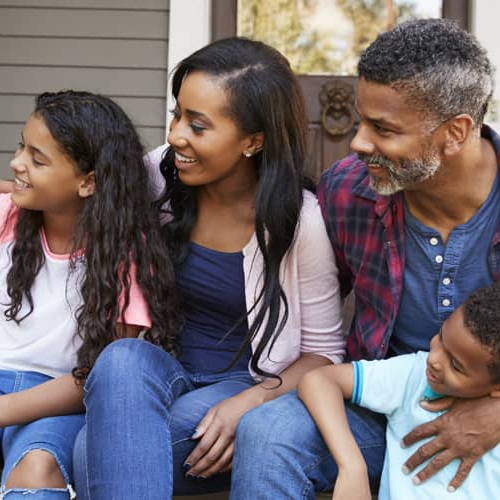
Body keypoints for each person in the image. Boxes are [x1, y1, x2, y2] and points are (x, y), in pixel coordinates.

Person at [230, 18, 500, 499]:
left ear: (456, 132)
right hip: (380, 406)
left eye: (382, 129)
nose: (358, 142)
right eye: (361, 120)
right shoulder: (346, 191)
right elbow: (309, 317)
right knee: (270, 433)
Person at [72, 36, 345, 499]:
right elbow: (70, 190)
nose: (176, 135)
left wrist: (252, 402)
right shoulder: (159, 174)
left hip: (247, 381)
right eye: (177, 115)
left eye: (198, 126)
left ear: (253, 141)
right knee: (119, 362)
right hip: (162, 366)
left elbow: (324, 353)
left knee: (88, 455)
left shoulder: (299, 222)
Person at [0, 90, 177, 499]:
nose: (17, 162)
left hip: (53, 401)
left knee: (37, 466)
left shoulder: (125, 256)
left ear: (88, 182)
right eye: (20, 147)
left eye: (37, 158)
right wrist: (24, 182)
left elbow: (98, 378)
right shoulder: (10, 214)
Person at [299, 282, 500, 499]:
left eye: (456, 366)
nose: (434, 359)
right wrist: (352, 466)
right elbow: (319, 380)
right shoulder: (414, 376)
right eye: (441, 337)